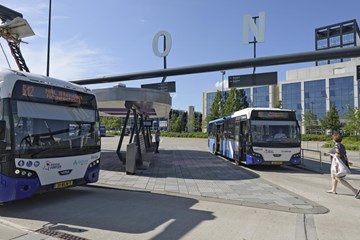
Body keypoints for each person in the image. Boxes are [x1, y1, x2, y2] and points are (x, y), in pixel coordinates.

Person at [326, 133, 360, 199]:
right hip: (340, 163)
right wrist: (347, 162)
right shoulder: (342, 145)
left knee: (338, 178)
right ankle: (333, 189)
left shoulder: (336, 146)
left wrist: (329, 154)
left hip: (338, 165)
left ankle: (354, 190)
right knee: (334, 177)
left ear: (334, 139)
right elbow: (344, 155)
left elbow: (337, 155)